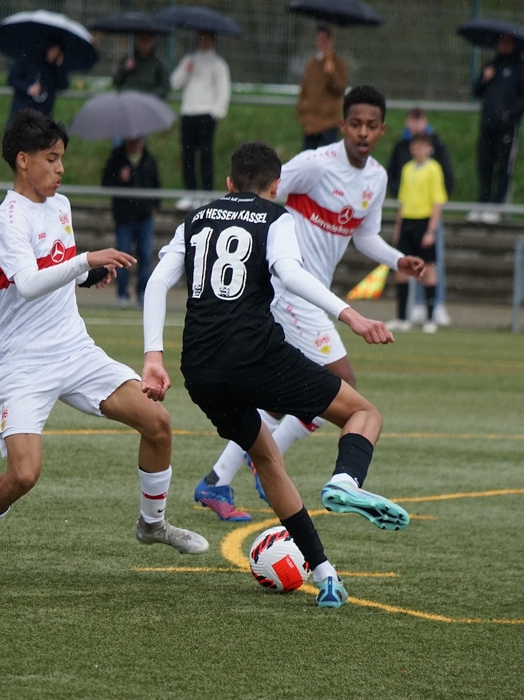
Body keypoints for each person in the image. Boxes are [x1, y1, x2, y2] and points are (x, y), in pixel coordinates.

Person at [142, 141, 410, 608]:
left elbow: (157, 281)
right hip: (255, 356)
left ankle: (325, 575)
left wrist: (152, 356)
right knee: (363, 414)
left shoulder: (196, 218)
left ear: (229, 183)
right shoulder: (276, 218)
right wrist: (351, 315)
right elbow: (289, 272)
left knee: (266, 457)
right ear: (276, 185)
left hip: (200, 369)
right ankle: (346, 481)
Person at [0, 109, 208, 576]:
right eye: (51, 159)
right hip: (23, 363)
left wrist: (86, 275)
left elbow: (59, 269)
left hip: (74, 350)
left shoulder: (62, 206)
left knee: (157, 422)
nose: (60, 168)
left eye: (61, 158)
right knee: (24, 474)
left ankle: (152, 524)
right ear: (23, 160)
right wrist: (85, 260)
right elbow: (28, 283)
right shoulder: (8, 218)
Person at [192, 85, 425, 522]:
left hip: (311, 294)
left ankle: (217, 480)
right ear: (342, 126)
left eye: (371, 126)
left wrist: (398, 261)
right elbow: (260, 194)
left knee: (279, 398)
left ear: (382, 130)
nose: (362, 132)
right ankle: (268, 463)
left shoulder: (376, 178)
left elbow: (364, 235)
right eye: (355, 124)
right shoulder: (316, 164)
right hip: (290, 290)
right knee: (342, 383)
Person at [386, 106, 454, 327]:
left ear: (429, 148)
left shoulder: (434, 168)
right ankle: (402, 317)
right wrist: (398, 229)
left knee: (429, 268)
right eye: (415, 147)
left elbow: (438, 201)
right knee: (402, 268)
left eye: (422, 147)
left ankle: (432, 314)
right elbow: (402, 201)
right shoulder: (406, 168)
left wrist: (431, 230)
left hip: (425, 222)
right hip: (407, 221)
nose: (418, 150)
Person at [468, 32, 524, 224]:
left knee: (503, 167)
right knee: (484, 165)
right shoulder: (491, 66)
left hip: (507, 127)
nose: (503, 46)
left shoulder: (521, 68)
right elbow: (476, 91)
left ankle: (496, 207)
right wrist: (485, 79)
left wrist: (510, 114)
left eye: (507, 42)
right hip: (487, 124)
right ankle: (482, 204)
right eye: (501, 42)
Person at [170, 31, 230, 211]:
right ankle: (190, 193)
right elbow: (175, 83)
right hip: (188, 112)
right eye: (202, 37)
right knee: (187, 154)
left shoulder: (218, 64)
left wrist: (215, 113)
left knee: (205, 155)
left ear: (213, 40)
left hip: (206, 114)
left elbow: (223, 90)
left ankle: (206, 193)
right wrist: (185, 70)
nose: (204, 41)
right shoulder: (189, 60)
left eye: (208, 38)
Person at [101, 136, 161, 308]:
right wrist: (120, 178)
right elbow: (106, 183)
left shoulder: (149, 160)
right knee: (122, 256)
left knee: (145, 256)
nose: (135, 144)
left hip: (144, 217)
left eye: (138, 140)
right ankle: (122, 294)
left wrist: (155, 205)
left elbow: (156, 185)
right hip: (124, 218)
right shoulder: (116, 159)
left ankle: (142, 294)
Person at [295, 24, 349, 151]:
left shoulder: (339, 64)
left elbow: (340, 88)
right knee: (308, 157)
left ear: (331, 41)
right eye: (319, 39)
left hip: (329, 122)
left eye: (325, 39)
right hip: (310, 122)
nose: (322, 43)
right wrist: (302, 113)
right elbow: (304, 91)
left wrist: (331, 73)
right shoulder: (310, 65)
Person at [6, 42, 69, 125]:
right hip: (23, 111)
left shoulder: (55, 68)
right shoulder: (26, 59)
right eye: (53, 50)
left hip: (44, 114)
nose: (54, 54)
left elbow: (63, 85)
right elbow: (13, 79)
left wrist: (60, 67)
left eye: (57, 52)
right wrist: (28, 88)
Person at [112, 31, 169, 99]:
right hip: (127, 96)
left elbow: (164, 87)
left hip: (147, 99)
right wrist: (125, 69)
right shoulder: (128, 59)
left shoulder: (158, 63)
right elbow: (116, 81)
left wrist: (149, 96)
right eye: (141, 40)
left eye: (147, 41)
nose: (144, 44)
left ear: (152, 42)